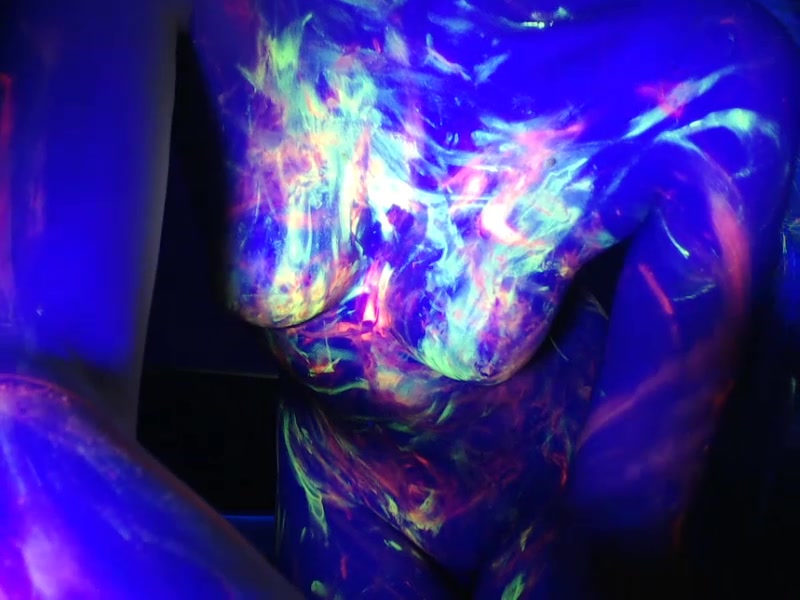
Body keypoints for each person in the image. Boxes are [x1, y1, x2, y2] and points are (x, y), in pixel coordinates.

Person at [1, 0, 798, 598]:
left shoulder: (717, 74)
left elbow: (631, 514)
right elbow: (27, 401)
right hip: (334, 494)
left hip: (549, 517)